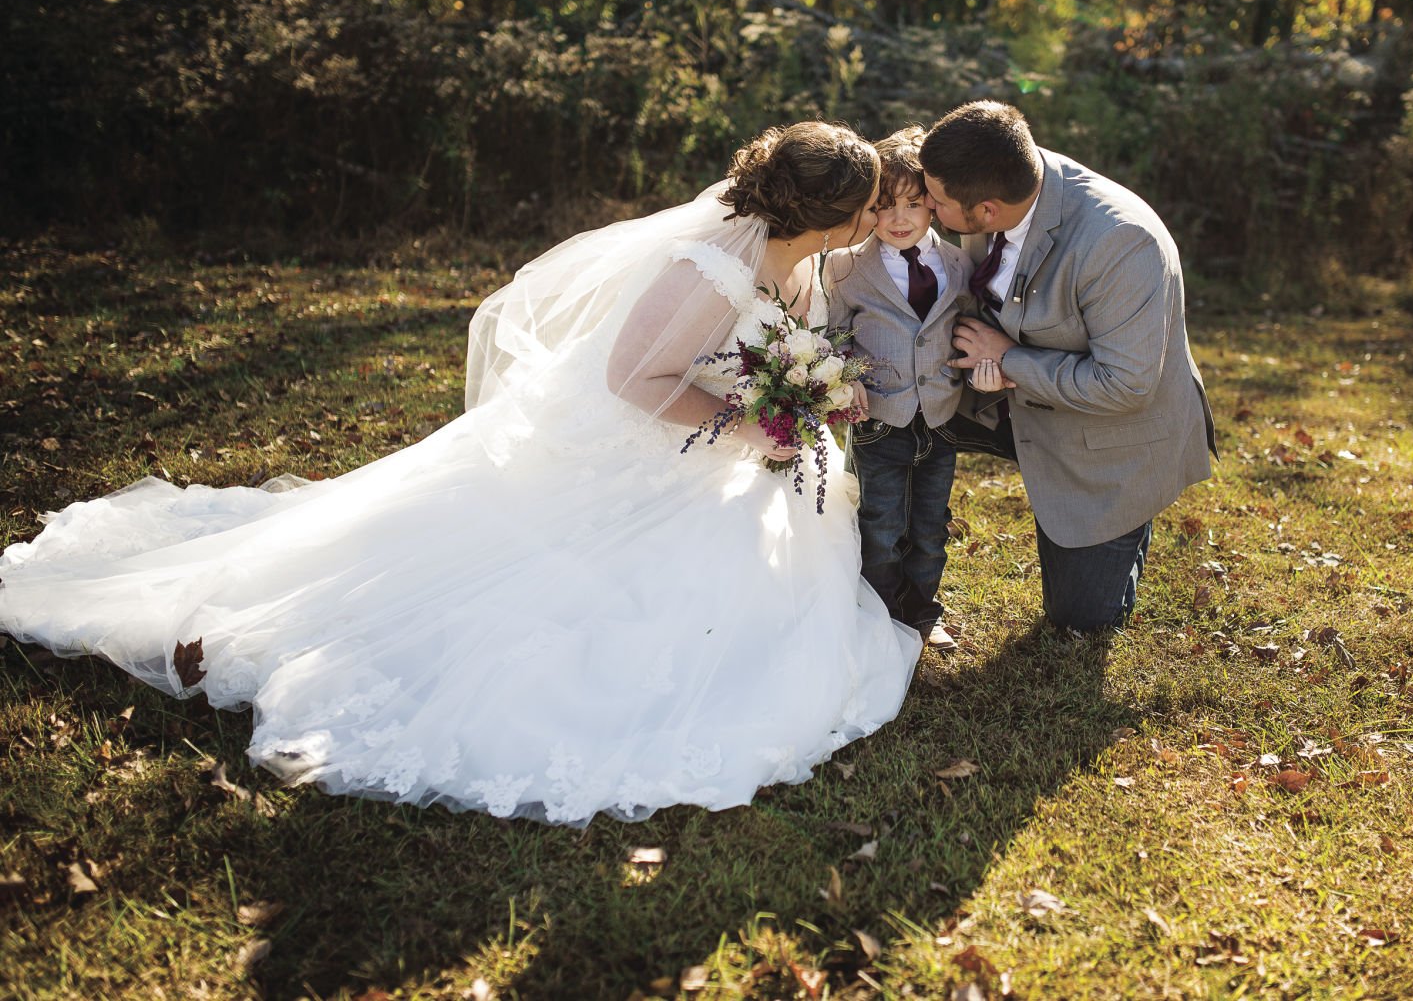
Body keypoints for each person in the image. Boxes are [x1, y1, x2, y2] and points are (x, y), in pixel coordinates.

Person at [0, 121, 922, 826]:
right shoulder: (705, 269)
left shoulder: (807, 260)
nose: (876, 217)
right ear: (829, 212)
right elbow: (632, 379)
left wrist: (797, 408)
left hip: (723, 459)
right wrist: (748, 422)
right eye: (868, 204)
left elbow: (799, 336)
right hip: (631, 455)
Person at [918, 101, 1216, 634]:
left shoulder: (1120, 243)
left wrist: (1008, 359)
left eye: (936, 202)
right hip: (1013, 401)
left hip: (1110, 436)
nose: (927, 207)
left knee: (1078, 619)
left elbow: (1125, 385)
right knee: (901, 419)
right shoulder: (1010, 175)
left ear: (986, 211)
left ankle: (1130, 517)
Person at [824, 127, 999, 654]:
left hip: (941, 418)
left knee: (930, 526)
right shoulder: (847, 267)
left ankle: (922, 613)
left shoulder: (959, 264)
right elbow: (831, 334)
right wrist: (847, 373)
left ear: (933, 207)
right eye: (884, 206)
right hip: (878, 418)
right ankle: (877, 615)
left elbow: (970, 329)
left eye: (913, 204)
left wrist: (981, 368)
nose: (898, 219)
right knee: (879, 524)